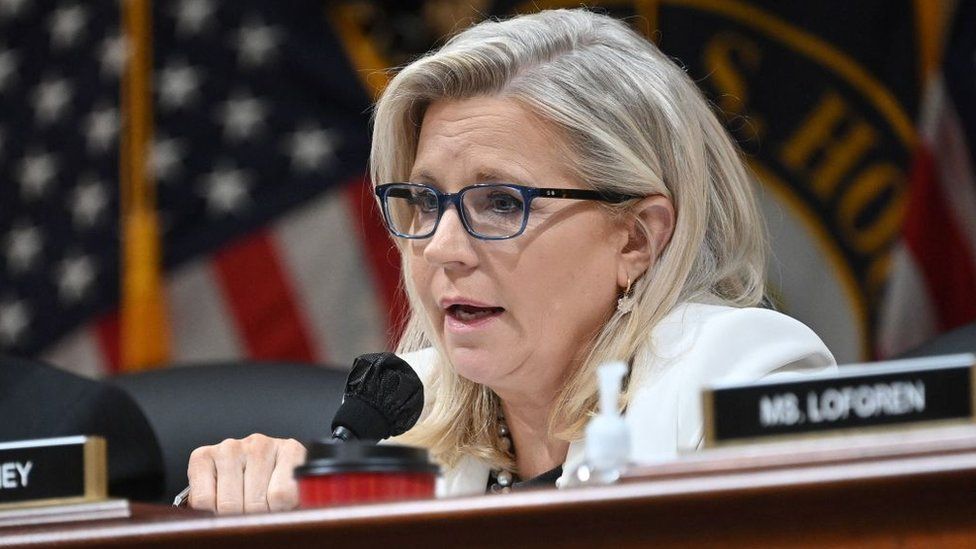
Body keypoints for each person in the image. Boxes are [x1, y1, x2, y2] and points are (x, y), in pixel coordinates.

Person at [186, 8, 835, 513]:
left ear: (637, 237)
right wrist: (241, 501)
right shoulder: (406, 412)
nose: (439, 247)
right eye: (425, 200)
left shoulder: (739, 376)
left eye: (500, 202)